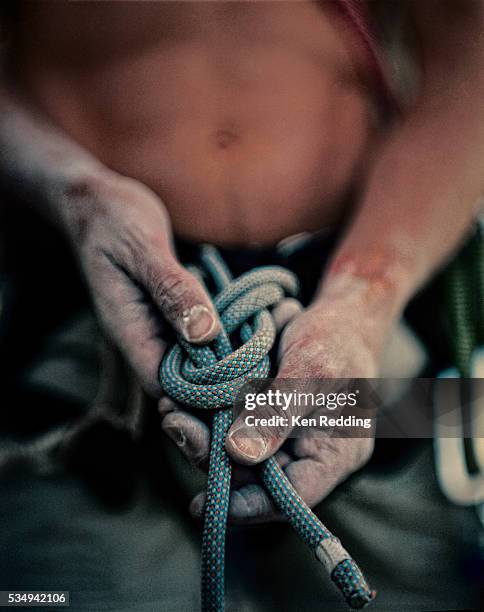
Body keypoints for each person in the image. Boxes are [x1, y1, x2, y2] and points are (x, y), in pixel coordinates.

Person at [0, 1, 483, 610]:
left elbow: (470, 67)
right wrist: (75, 196)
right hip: (76, 323)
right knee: (41, 596)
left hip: (361, 326)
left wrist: (365, 301)